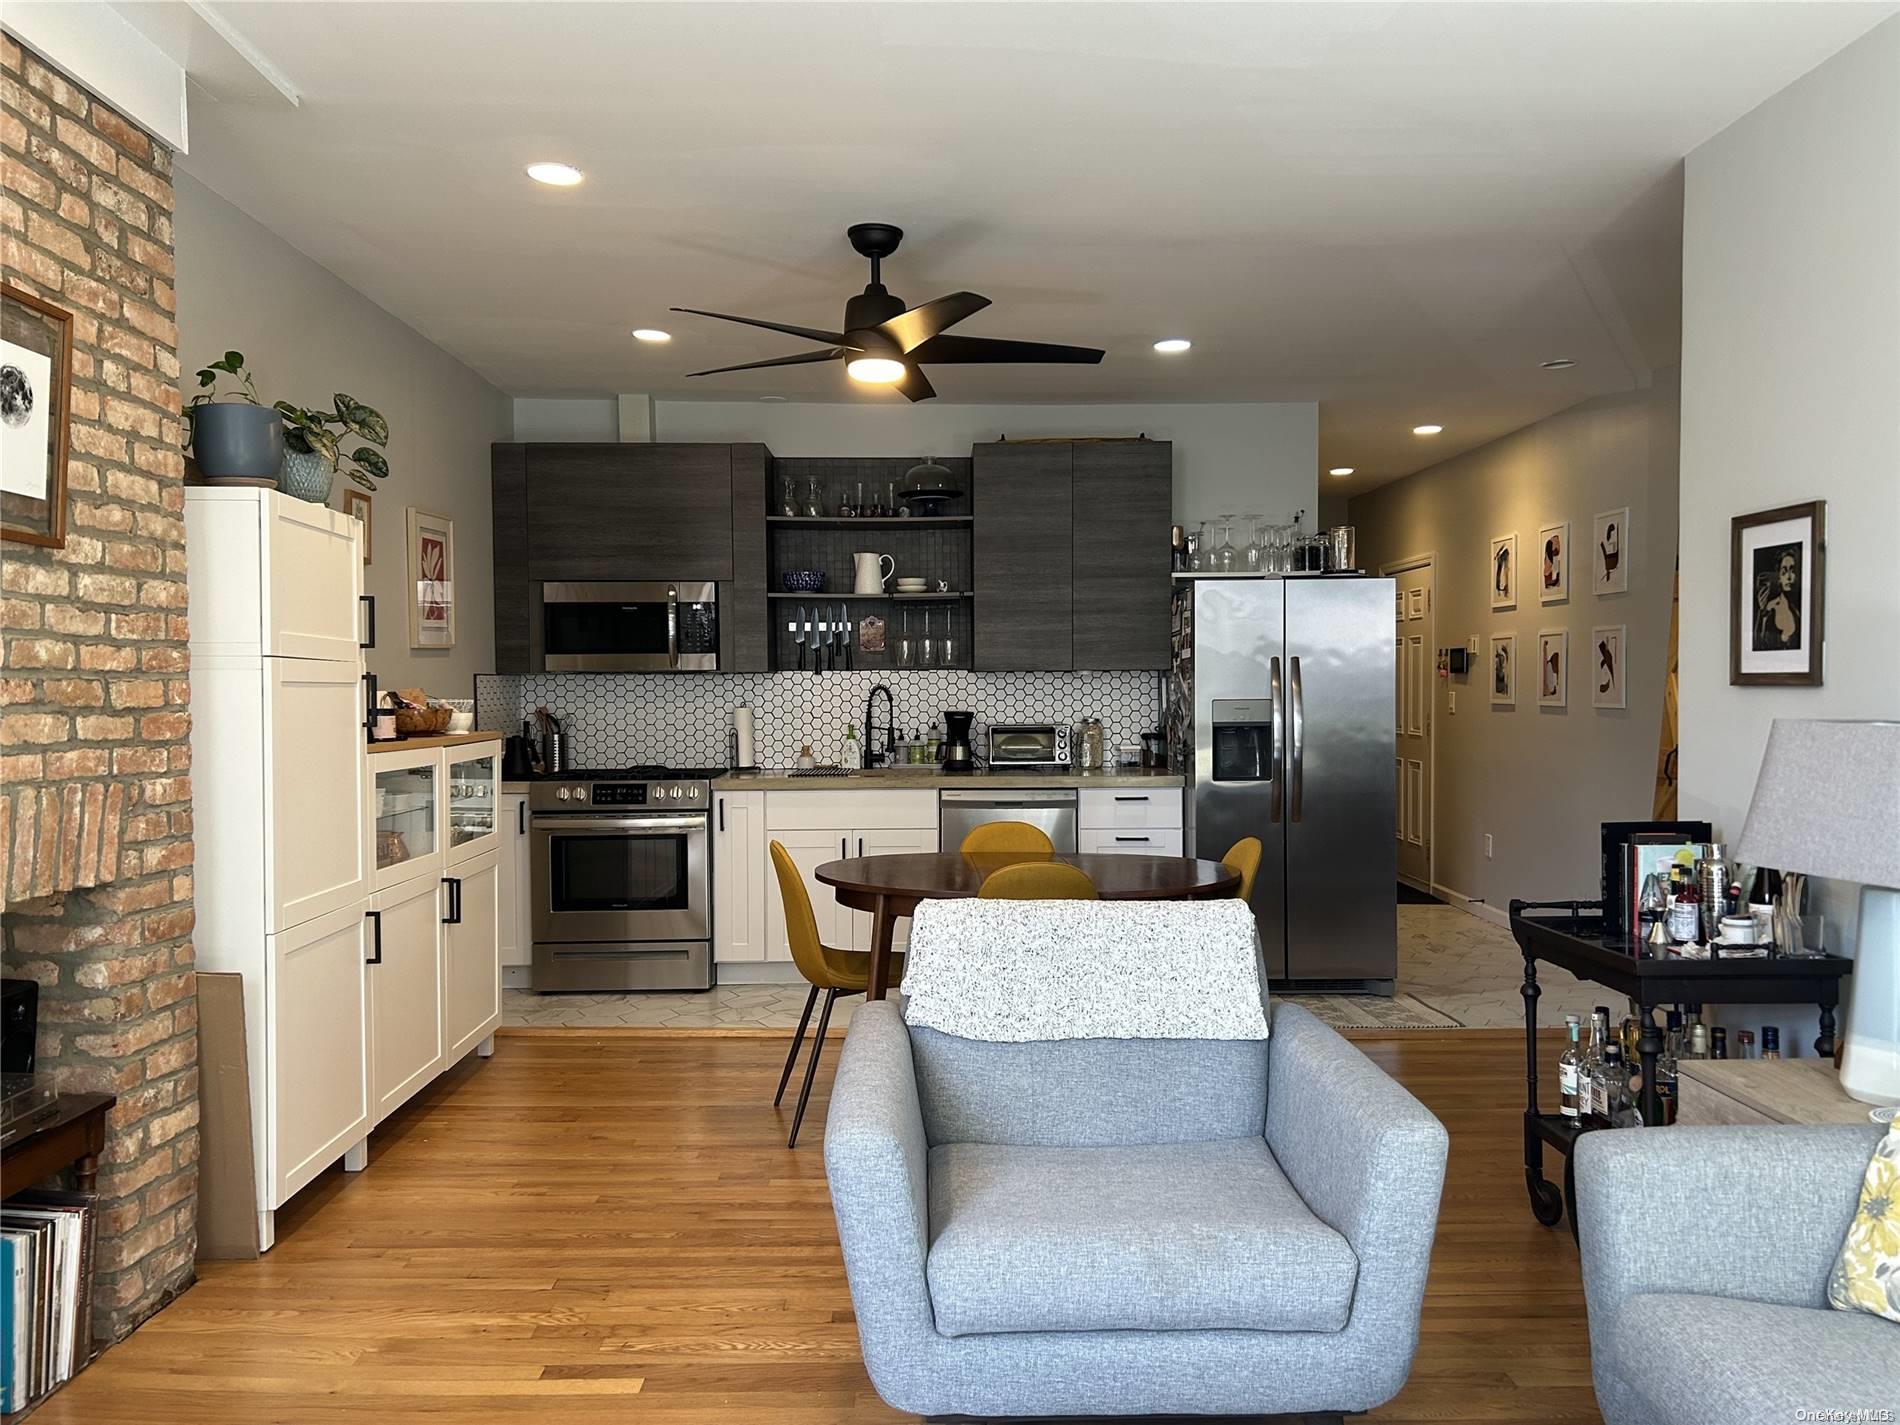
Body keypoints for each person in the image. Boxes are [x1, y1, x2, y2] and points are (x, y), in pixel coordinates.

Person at [1754, 549, 1801, 649]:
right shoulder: (1769, 608)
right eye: (1784, 572)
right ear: (1779, 577)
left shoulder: (1798, 610)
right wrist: (1763, 613)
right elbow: (1758, 644)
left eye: (1792, 571)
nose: (1788, 577)